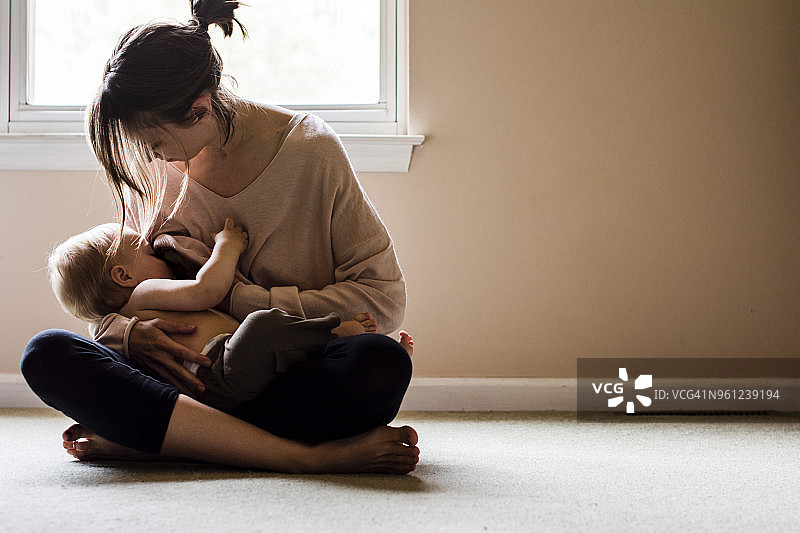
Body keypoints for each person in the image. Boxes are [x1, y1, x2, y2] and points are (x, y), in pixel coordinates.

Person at [21, 0, 419, 474]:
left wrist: (239, 300)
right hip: (190, 377)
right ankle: (302, 455)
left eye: (154, 143)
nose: (151, 158)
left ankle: (166, 439)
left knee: (378, 364)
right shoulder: (160, 168)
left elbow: (381, 301)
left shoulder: (311, 153)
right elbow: (119, 289)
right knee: (47, 354)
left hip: (287, 371)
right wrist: (128, 335)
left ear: (199, 110)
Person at [47, 219, 413, 413]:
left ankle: (356, 357)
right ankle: (333, 333)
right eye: (146, 250)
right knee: (263, 324)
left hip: (219, 387)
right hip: (220, 366)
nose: (158, 252)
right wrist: (227, 246)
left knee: (286, 355)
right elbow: (207, 290)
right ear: (123, 277)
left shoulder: (125, 323)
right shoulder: (141, 296)